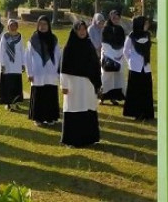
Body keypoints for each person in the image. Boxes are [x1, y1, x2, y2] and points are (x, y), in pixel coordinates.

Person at [60, 20, 101, 148]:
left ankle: (88, 139)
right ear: (75, 31)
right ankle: (72, 140)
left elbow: (95, 65)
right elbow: (64, 68)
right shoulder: (69, 47)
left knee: (87, 108)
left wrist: (97, 83)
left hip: (88, 84)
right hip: (73, 85)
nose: (82, 32)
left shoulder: (89, 45)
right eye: (79, 29)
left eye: (84, 29)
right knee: (74, 109)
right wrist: (64, 85)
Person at [26, 15, 61, 126]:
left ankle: (50, 118)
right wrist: (29, 73)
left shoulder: (53, 38)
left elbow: (58, 56)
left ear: (48, 25)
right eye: (40, 24)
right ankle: (38, 118)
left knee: (50, 95)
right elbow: (27, 57)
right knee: (39, 96)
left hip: (51, 73)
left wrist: (57, 72)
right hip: (37, 74)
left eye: (45, 24)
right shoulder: (33, 39)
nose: (42, 26)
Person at [122, 16, 154, 120]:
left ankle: (146, 113)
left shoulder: (148, 35)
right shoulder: (131, 36)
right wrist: (131, 62)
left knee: (146, 91)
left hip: (146, 67)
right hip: (135, 68)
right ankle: (135, 113)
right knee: (135, 91)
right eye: (145, 23)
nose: (147, 25)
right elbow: (125, 52)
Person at [0, 19, 25, 110]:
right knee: (7, 84)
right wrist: (2, 64)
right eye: (11, 26)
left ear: (17, 26)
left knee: (15, 84)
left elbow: (22, 50)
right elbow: (1, 50)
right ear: (8, 27)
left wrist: (23, 63)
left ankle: (15, 102)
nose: (13, 27)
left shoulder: (20, 36)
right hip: (7, 64)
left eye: (14, 25)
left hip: (17, 64)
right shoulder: (5, 36)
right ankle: (8, 103)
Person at [100, 10, 126, 104]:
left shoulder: (120, 29)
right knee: (106, 77)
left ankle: (113, 97)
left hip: (118, 57)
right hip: (108, 57)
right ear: (110, 18)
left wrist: (119, 54)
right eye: (114, 18)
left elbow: (123, 43)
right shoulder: (106, 28)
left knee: (116, 78)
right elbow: (104, 43)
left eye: (117, 18)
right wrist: (112, 55)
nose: (116, 20)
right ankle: (102, 98)